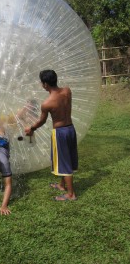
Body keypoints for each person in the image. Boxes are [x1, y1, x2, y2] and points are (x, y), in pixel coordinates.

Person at [25, 70, 78, 201]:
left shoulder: (47, 103)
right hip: (71, 129)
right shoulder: (67, 91)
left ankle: (71, 194)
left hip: (60, 133)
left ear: (45, 84)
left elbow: (42, 121)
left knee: (63, 162)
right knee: (67, 158)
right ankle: (61, 185)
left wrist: (31, 128)